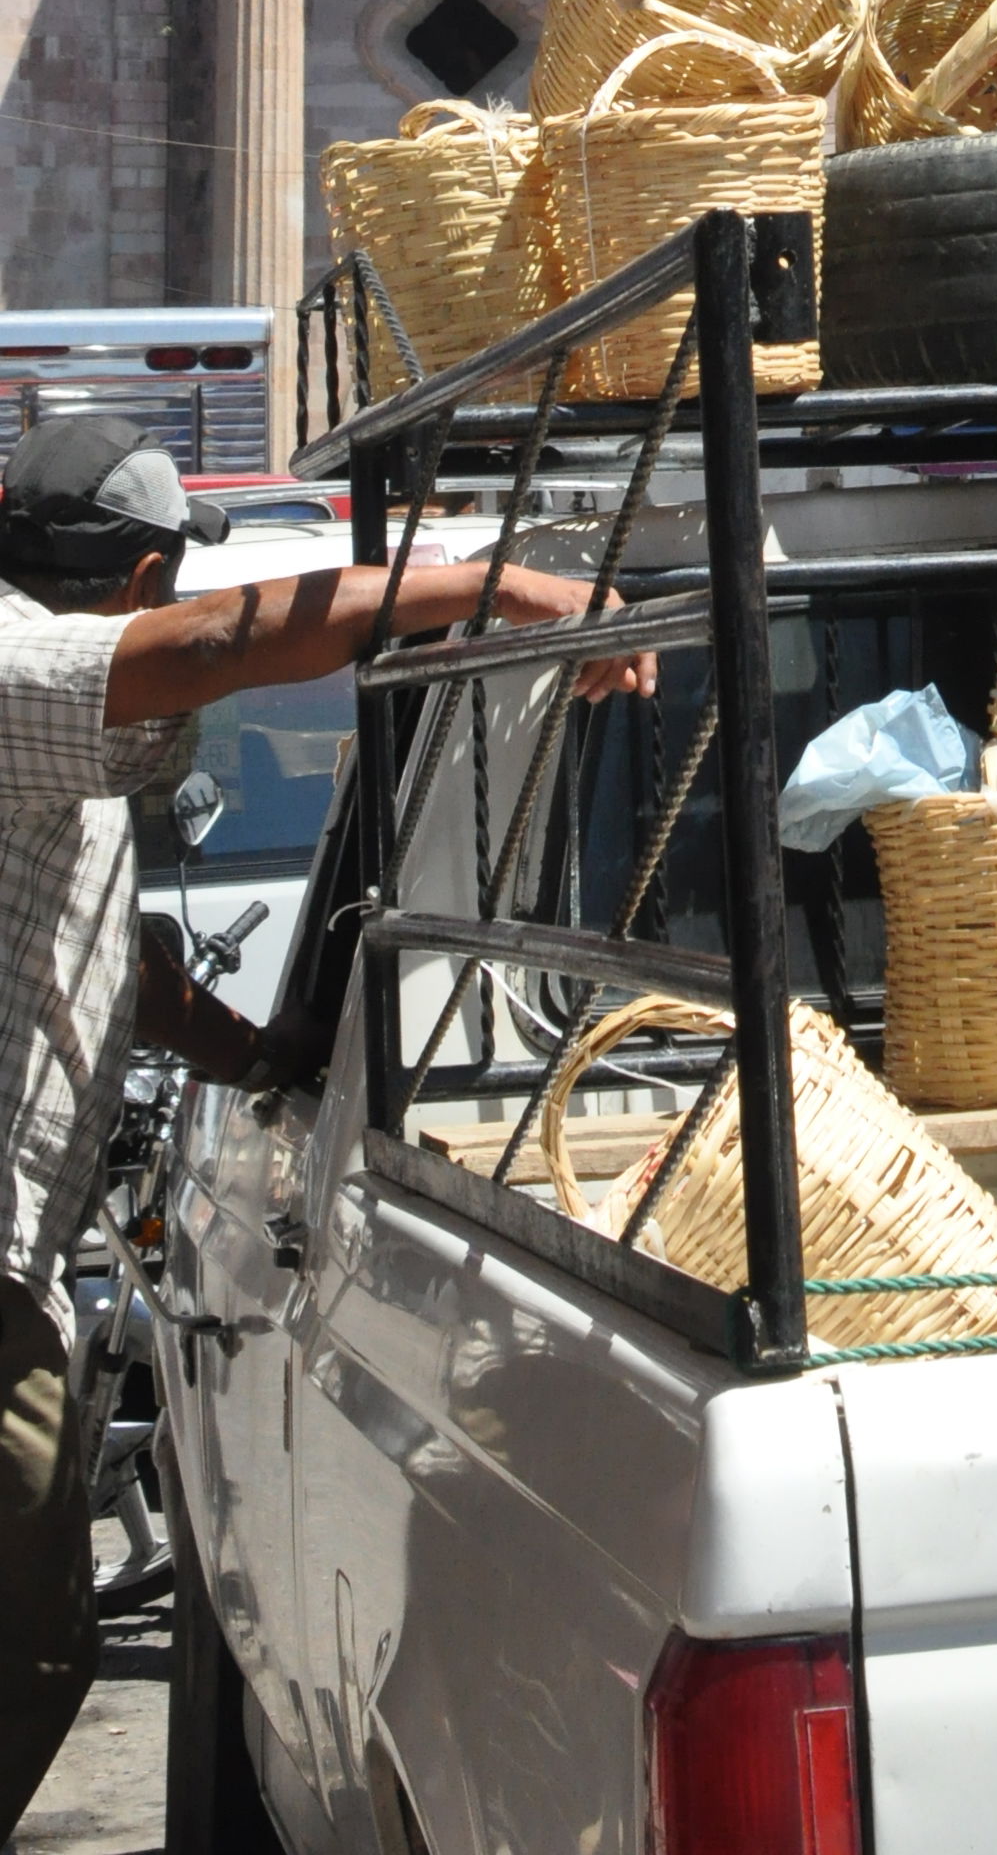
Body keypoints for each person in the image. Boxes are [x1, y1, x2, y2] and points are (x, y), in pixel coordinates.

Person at [0, 413, 655, 1838]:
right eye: (168, 585)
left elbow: (115, 957)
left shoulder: (62, 729)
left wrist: (268, 1052)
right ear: (142, 574)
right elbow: (220, 648)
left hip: (22, 1277)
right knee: (22, 1645)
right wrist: (501, 590)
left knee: (35, 1641)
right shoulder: (22, 668)